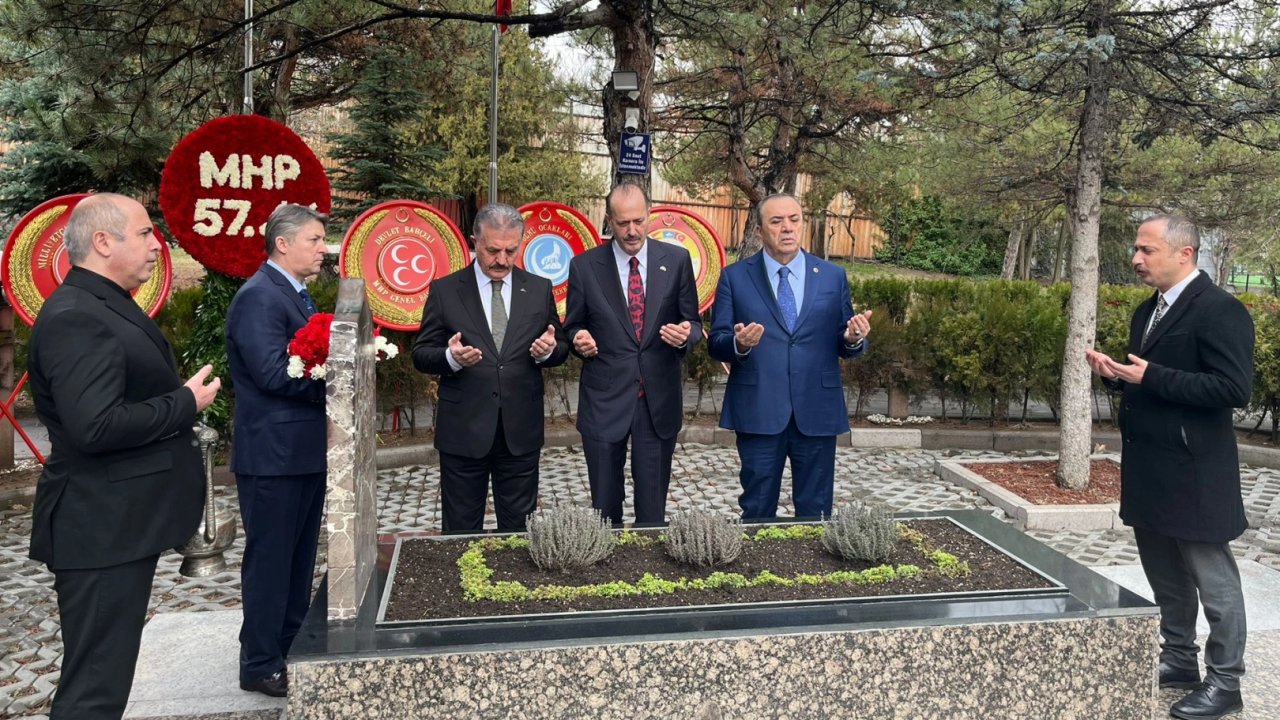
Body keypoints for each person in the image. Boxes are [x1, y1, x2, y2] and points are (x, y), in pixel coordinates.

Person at [27, 193, 221, 720]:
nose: (157, 245)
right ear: (103, 241)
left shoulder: (102, 303)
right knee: (95, 690)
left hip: (118, 524)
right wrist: (184, 404)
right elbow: (95, 426)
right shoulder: (76, 316)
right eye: (144, 233)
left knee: (104, 680)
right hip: (100, 528)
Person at [1086, 214, 1252, 720]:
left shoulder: (1221, 311)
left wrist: (1152, 375)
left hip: (1196, 472)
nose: (1135, 259)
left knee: (1213, 581)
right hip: (1150, 468)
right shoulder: (1148, 311)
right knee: (1166, 578)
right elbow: (1152, 380)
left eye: (1146, 250)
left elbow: (1232, 390)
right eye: (1136, 250)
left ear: (1184, 253)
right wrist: (1119, 377)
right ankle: (1179, 659)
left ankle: (1226, 682)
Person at [708, 193, 872, 520]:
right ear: (759, 231)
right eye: (776, 221)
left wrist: (853, 338)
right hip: (759, 410)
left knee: (816, 512)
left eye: (794, 220)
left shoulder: (831, 276)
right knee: (757, 509)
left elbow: (843, 339)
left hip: (817, 412)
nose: (787, 228)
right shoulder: (734, 277)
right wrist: (739, 344)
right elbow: (717, 342)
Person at [412, 203, 569, 533]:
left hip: (520, 432)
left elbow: (560, 347)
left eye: (511, 250)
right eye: (493, 250)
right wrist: (451, 358)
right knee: (460, 531)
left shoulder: (539, 289)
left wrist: (549, 351)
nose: (502, 260)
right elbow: (421, 354)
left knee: (518, 533)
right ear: (475, 242)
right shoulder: (445, 290)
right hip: (463, 432)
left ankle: (511, 585)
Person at [225, 203, 329, 697]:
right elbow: (270, 372)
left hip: (301, 451)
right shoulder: (259, 297)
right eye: (313, 240)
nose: (322, 249)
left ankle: (288, 642)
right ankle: (260, 661)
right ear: (282, 243)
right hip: (273, 455)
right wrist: (332, 383)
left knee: (298, 557)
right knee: (270, 560)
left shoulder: (296, 294)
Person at [563, 183, 702, 525]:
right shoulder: (584, 267)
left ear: (649, 215)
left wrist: (686, 335)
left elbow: (695, 324)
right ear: (609, 220)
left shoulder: (677, 260)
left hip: (657, 404)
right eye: (623, 223)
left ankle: (649, 572)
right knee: (605, 511)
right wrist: (578, 337)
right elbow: (571, 326)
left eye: (638, 221)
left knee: (652, 512)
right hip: (605, 402)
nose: (632, 231)